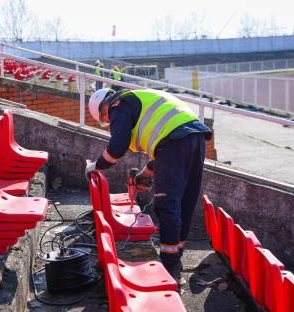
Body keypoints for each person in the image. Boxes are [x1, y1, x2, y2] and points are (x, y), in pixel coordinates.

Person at [85, 88, 212, 284]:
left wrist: (96, 166)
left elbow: (118, 146)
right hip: (195, 136)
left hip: (174, 140)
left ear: (104, 107)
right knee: (185, 201)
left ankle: (170, 268)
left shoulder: (118, 105)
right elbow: (164, 147)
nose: (110, 122)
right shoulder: (140, 100)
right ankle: (175, 258)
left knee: (166, 204)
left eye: (106, 119)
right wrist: (146, 174)